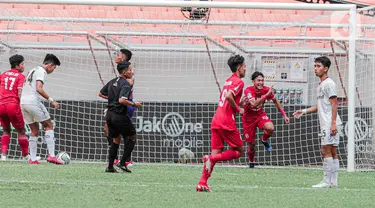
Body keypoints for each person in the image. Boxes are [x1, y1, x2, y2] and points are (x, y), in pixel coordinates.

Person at [196, 55, 246, 192]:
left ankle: (202, 182)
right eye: (244, 67)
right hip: (226, 121)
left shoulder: (228, 80)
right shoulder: (239, 82)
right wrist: (238, 109)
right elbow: (229, 96)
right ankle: (210, 158)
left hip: (217, 118)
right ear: (239, 67)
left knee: (217, 152)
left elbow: (227, 98)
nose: (245, 69)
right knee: (240, 151)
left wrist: (239, 103)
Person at [293, 56, 342, 188]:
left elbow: (334, 104)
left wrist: (332, 123)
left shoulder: (329, 83)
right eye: (315, 66)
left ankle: (327, 181)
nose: (315, 69)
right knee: (332, 151)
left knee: (326, 150)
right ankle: (333, 182)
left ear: (325, 68)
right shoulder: (320, 85)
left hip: (330, 123)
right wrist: (304, 111)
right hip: (328, 122)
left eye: (318, 66)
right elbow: (320, 105)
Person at [241, 71, 290, 168]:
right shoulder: (248, 90)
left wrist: (284, 115)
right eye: (258, 80)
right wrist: (267, 94)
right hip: (248, 119)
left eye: (262, 80)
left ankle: (264, 140)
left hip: (259, 115)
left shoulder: (266, 89)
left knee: (270, 128)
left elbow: (275, 101)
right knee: (251, 145)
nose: (261, 82)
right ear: (253, 82)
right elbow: (254, 104)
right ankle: (251, 162)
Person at [100, 61, 141, 173]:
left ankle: (110, 167)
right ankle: (123, 163)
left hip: (109, 114)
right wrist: (134, 104)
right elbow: (122, 100)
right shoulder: (125, 84)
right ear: (124, 72)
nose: (131, 72)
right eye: (129, 70)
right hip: (119, 114)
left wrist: (112, 100)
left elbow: (100, 94)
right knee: (132, 136)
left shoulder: (112, 81)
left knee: (116, 139)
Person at [21, 54, 62, 165]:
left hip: (23, 102)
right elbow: (39, 88)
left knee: (34, 130)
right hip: (33, 101)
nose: (53, 70)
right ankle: (52, 156)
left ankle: (33, 159)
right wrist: (51, 100)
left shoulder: (32, 70)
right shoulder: (41, 71)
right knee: (49, 125)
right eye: (54, 67)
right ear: (50, 65)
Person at [102, 49, 135, 167]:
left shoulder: (128, 74)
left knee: (127, 132)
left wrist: (118, 93)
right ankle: (115, 159)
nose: (116, 56)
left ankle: (126, 159)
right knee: (108, 129)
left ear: (123, 58)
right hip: (116, 105)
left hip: (125, 104)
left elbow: (130, 84)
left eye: (118, 55)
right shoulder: (119, 76)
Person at [0, 55, 28, 161]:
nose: (23, 66)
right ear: (17, 65)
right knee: (21, 131)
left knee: (6, 130)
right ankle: (26, 156)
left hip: (1, 105)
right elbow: (20, 92)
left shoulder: (3, 74)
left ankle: (3, 155)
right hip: (13, 104)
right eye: (22, 64)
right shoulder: (20, 76)